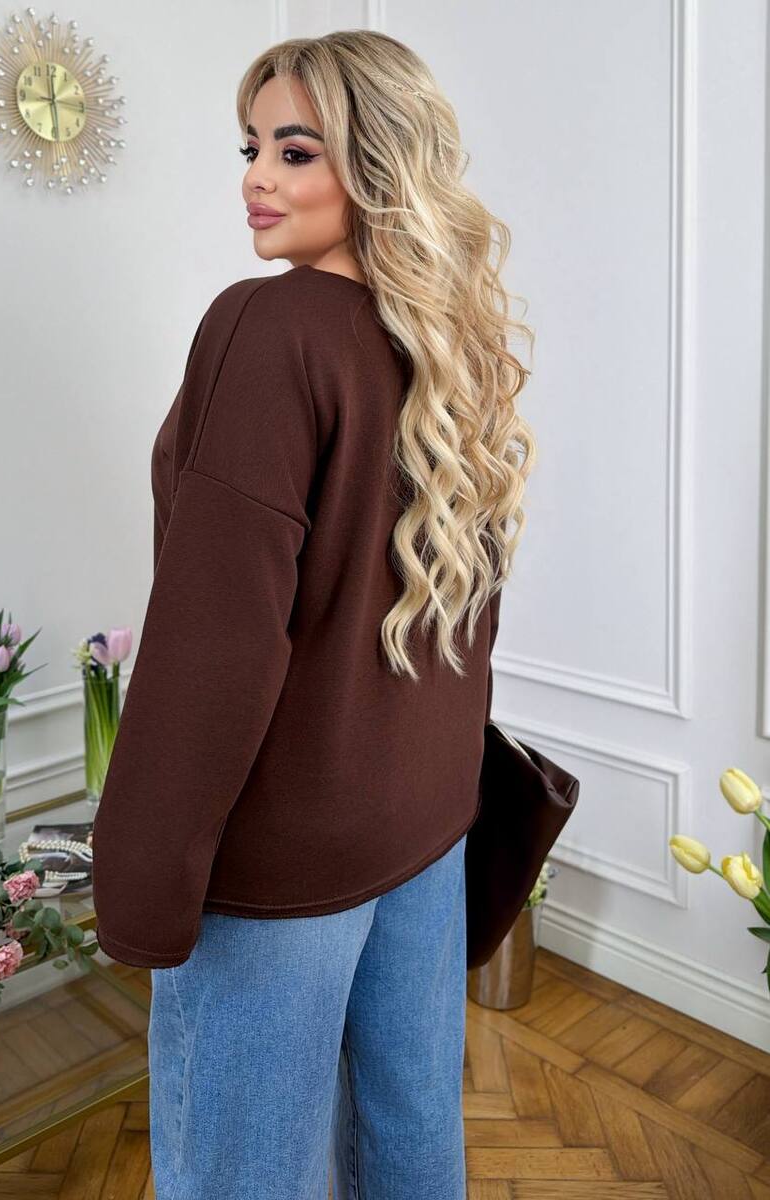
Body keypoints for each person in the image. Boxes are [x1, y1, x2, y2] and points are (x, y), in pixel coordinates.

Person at [91, 28, 536, 1200]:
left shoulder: (269, 324)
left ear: (378, 166)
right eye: (249, 148)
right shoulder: (448, 346)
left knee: (242, 1174)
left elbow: (216, 642)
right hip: (424, 823)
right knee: (408, 1136)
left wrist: (139, 880)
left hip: (284, 857)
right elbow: (468, 622)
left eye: (295, 151)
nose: (255, 178)